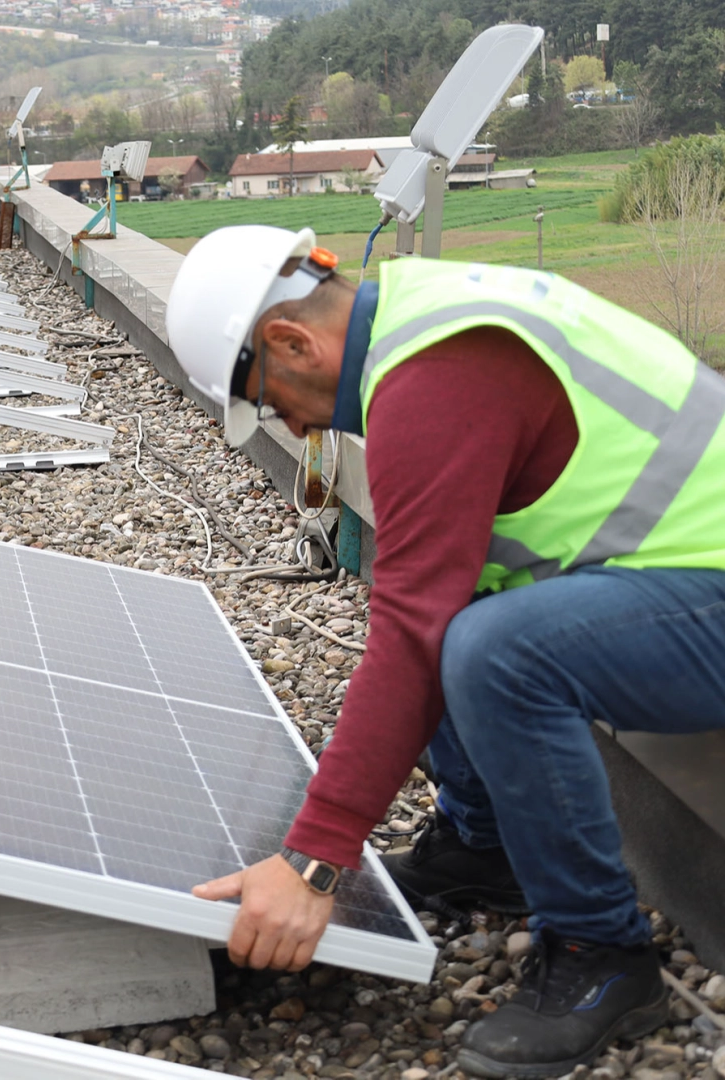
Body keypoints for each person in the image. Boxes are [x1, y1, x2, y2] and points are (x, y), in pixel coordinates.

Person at [166, 226, 725, 1079]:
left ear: (292, 342)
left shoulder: (435, 377)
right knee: (458, 610)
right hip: (684, 573)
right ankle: (487, 848)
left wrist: (314, 859)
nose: (294, 424)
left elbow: (413, 630)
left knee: (495, 651)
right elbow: (424, 600)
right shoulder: (422, 317)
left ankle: (601, 955)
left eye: (271, 402)